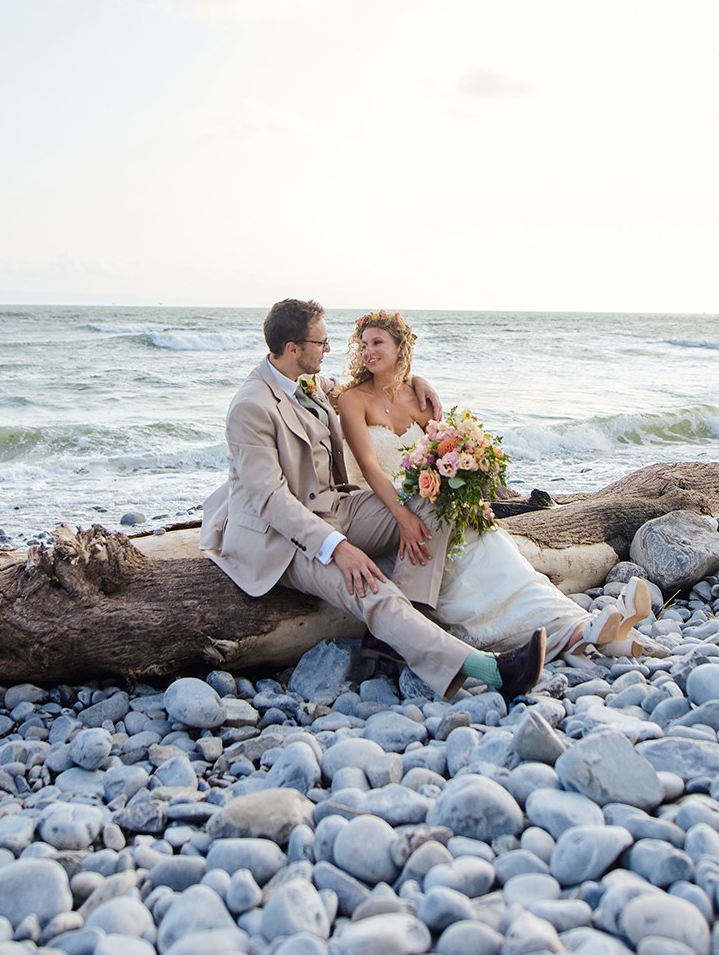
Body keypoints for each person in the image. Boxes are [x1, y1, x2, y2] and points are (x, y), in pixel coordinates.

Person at [200, 299, 546, 700]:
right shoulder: (251, 406)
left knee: (431, 496)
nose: (328, 350)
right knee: (370, 586)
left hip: (336, 506)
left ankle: (401, 624)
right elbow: (271, 500)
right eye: (321, 342)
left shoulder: (307, 382)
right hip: (282, 538)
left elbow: (372, 388)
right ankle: (492, 671)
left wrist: (417, 381)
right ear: (293, 348)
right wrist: (338, 548)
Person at [336, 310, 655, 661]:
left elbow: (441, 453)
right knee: (469, 558)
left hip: (435, 500)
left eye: (377, 342)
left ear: (401, 347)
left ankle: (585, 627)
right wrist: (402, 517)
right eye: (363, 344)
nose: (368, 351)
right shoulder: (354, 399)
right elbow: (368, 467)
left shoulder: (419, 396)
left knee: (495, 548)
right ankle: (580, 631)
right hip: (388, 504)